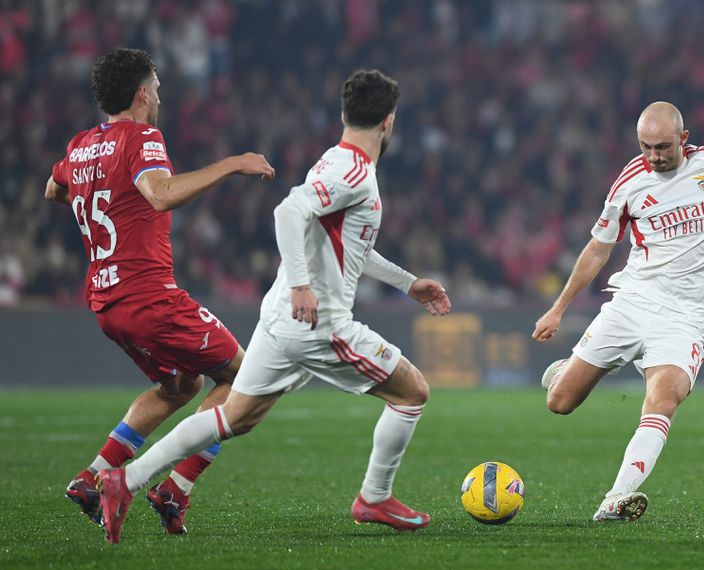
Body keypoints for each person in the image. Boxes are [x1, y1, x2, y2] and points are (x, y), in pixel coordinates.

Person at [96, 69, 452, 543]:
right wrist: (303, 284)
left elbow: (348, 246)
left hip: (280, 319)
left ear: (345, 115)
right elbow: (287, 211)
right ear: (389, 122)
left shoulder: (332, 160)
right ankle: (374, 498)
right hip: (319, 323)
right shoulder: (353, 173)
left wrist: (407, 284)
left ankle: (128, 479)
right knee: (413, 393)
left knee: (231, 418)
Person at [532, 102, 704, 522]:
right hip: (633, 301)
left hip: (683, 317)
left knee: (665, 398)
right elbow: (599, 247)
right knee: (560, 402)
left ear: (683, 138)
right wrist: (558, 309)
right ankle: (570, 369)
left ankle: (616, 497)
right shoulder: (628, 183)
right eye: (645, 147)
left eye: (663, 147)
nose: (654, 156)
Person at [45, 48, 275, 534]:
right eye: (157, 89)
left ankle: (91, 477)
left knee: (182, 385)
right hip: (150, 298)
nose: (159, 99)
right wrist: (233, 163)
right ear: (143, 92)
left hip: (107, 303)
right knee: (247, 378)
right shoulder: (142, 136)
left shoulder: (81, 145)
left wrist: (92, 192)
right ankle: (174, 487)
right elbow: (160, 193)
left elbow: (53, 189)